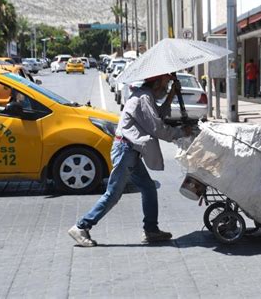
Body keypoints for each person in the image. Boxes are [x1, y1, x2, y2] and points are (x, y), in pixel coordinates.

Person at [68, 74, 191, 247]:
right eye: (166, 83)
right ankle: (81, 226)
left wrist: (171, 95)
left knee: (148, 188)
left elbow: (158, 116)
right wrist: (180, 133)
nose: (167, 86)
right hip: (125, 151)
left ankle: (151, 230)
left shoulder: (146, 95)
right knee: (113, 194)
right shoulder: (143, 97)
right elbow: (157, 127)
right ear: (156, 83)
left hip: (130, 151)